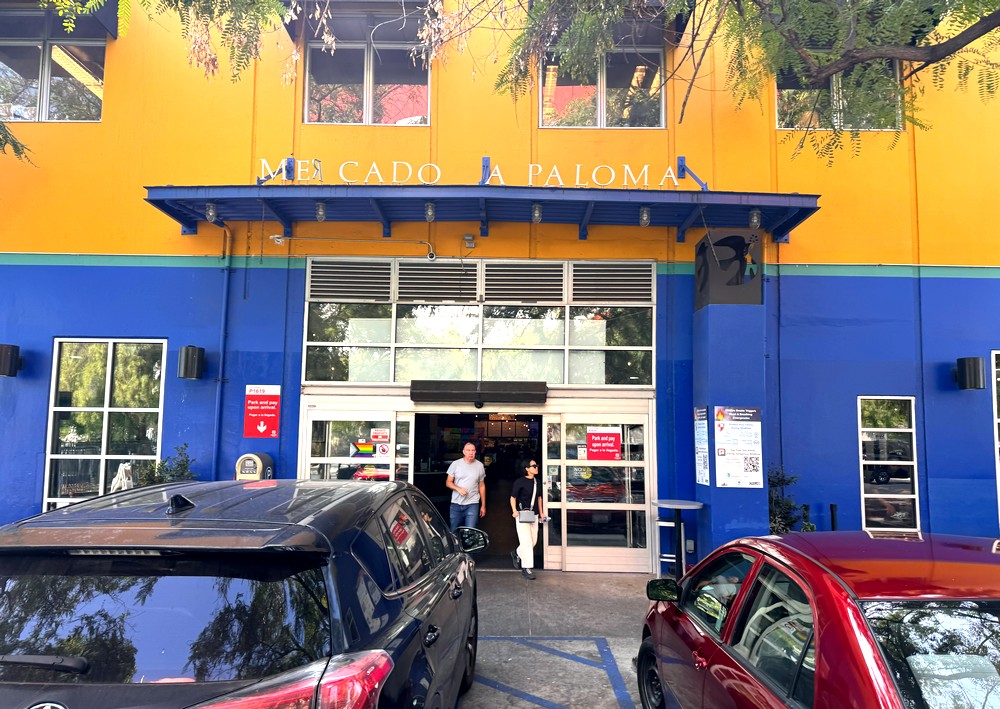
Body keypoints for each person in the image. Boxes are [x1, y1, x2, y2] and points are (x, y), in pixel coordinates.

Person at [509, 458, 547, 580]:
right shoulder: (519, 482)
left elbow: (539, 498)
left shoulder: (538, 482)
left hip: (534, 514)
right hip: (522, 514)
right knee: (526, 542)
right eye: (534, 466)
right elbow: (513, 497)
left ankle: (517, 553)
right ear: (526, 469)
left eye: (537, 465)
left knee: (533, 541)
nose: (537, 467)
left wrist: (541, 513)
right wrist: (514, 510)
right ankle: (527, 568)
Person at [446, 441, 486, 532]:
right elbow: (448, 482)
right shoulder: (455, 464)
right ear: (463, 452)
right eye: (468, 450)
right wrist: (458, 488)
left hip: (472, 503)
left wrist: (483, 506)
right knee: (454, 531)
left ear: (475, 452)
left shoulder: (480, 466)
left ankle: (468, 546)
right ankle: (456, 546)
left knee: (470, 531)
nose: (471, 452)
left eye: (473, 450)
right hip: (456, 504)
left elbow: (482, 486)